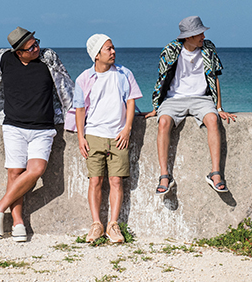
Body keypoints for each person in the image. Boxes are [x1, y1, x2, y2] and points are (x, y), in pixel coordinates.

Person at [0, 27, 74, 242]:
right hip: (13, 125)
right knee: (15, 172)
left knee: (36, 170)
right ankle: (17, 222)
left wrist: (75, 116)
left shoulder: (48, 57)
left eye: (36, 42)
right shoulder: (2, 59)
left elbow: (65, 85)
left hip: (43, 127)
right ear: (18, 53)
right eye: (30, 47)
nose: (36, 48)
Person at [145, 16, 237, 195]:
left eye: (202, 33)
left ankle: (215, 174)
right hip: (173, 98)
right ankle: (165, 175)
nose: (203, 36)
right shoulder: (170, 50)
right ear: (188, 37)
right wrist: (156, 107)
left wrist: (219, 108)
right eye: (198, 34)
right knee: (163, 122)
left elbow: (215, 77)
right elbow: (161, 79)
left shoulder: (209, 48)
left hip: (201, 98)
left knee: (212, 119)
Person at [72, 35, 142, 243]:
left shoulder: (124, 73)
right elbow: (79, 109)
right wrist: (80, 137)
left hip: (117, 135)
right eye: (108, 49)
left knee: (116, 181)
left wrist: (127, 128)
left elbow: (130, 102)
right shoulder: (84, 78)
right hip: (94, 134)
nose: (113, 52)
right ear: (96, 55)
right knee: (95, 180)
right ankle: (96, 224)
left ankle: (113, 225)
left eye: (113, 48)